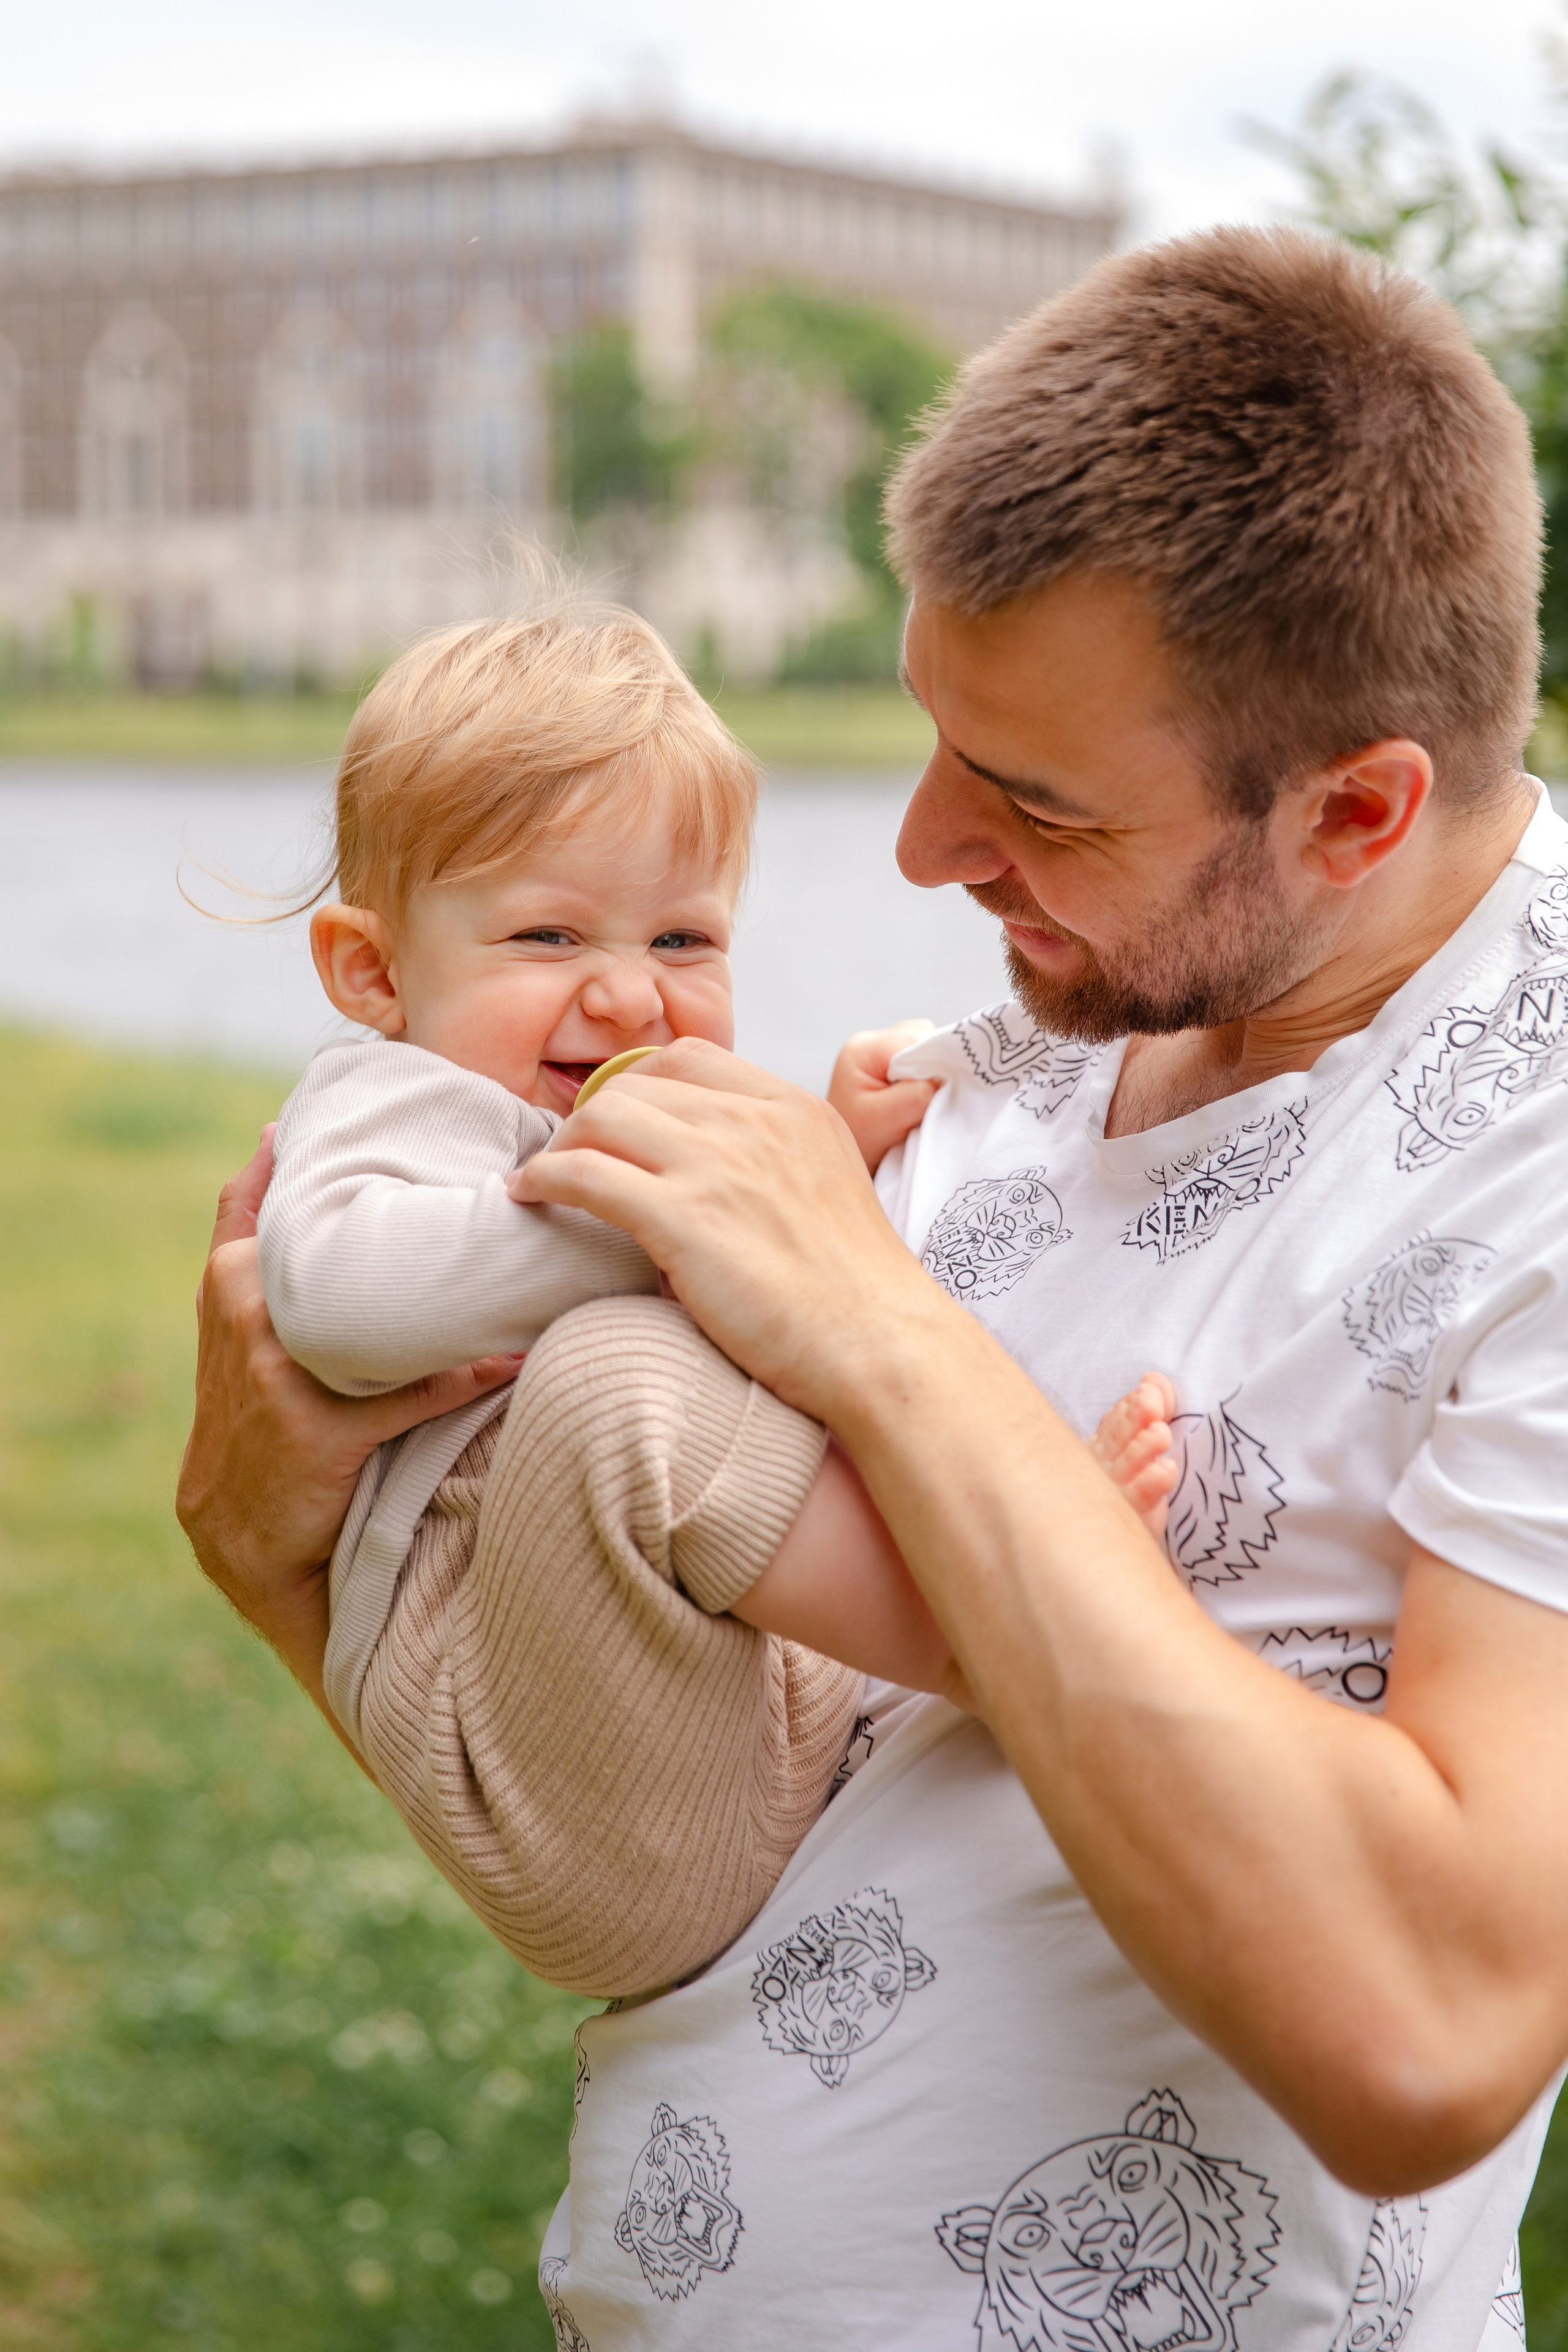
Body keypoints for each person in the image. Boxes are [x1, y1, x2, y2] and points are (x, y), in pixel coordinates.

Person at [179, 224, 1568, 2351]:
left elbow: (1425, 2034)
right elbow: (632, 1731)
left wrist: (886, 1338)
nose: (921, 852)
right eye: (936, 734)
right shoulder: (1016, 1066)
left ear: (1359, 808)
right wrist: (272, 1528)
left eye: (1026, 798)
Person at [250, 597, 1178, 1970]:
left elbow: (753, 1257)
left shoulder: (610, 1117)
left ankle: (984, 1559)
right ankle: (1001, 1636)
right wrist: (683, 1222)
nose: (629, 998)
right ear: (373, 972)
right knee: (622, 1372)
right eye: (547, 941)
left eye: (681, 942)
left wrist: (822, 1156)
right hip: (513, 1749)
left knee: (748, 1356)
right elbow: (332, 1297)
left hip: (720, 1706)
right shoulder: (390, 1102)